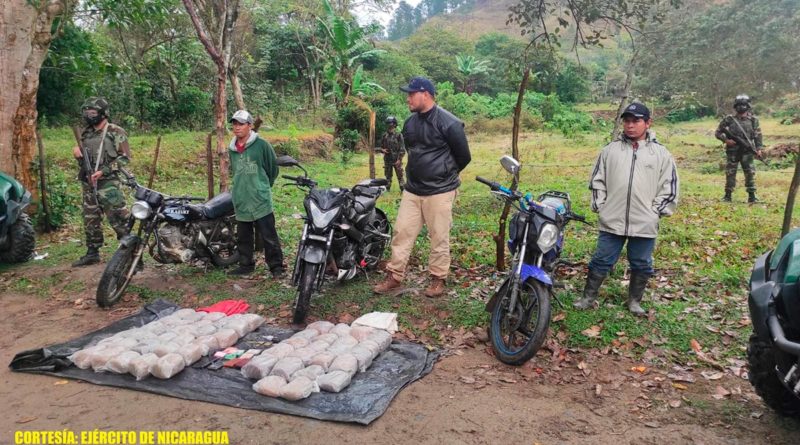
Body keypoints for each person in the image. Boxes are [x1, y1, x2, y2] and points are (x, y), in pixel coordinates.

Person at [573, 102, 679, 316]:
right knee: (601, 260)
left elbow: (669, 186)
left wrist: (654, 212)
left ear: (647, 123)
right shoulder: (610, 151)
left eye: (636, 121)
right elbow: (597, 181)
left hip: (644, 222)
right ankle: (588, 297)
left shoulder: (661, 154)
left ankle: (634, 301)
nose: (630, 126)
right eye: (627, 121)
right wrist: (601, 207)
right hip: (611, 219)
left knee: (641, 263)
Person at [373, 77, 471, 298]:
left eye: (411, 93)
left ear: (425, 94)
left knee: (439, 236)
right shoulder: (409, 123)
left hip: (440, 190)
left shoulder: (449, 123)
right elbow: (412, 151)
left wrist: (444, 174)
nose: (407, 98)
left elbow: (464, 156)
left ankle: (438, 278)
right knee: (401, 232)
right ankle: (394, 275)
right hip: (413, 189)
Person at [71, 97, 131, 267]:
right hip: (89, 182)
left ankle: (132, 254)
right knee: (90, 218)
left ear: (103, 113)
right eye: (86, 112)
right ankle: (92, 252)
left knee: (119, 218)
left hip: (109, 183)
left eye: (93, 113)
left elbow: (125, 158)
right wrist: (78, 155)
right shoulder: (86, 132)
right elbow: (86, 160)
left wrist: (103, 171)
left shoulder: (115, 131)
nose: (89, 116)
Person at [227, 110, 285, 278]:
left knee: (269, 234)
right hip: (241, 197)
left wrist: (263, 186)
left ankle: (276, 267)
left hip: (260, 197)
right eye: (234, 124)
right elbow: (235, 171)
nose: (237, 128)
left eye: (241, 124)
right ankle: (246, 264)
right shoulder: (232, 149)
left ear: (250, 126)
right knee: (243, 235)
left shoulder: (261, 145)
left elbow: (272, 168)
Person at [715, 94, 764, 203]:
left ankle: (752, 196)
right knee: (730, 172)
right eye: (739, 105)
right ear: (735, 106)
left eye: (743, 105)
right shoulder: (729, 119)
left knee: (750, 172)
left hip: (747, 151)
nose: (741, 107)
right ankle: (728, 196)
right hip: (732, 151)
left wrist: (759, 149)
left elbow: (758, 135)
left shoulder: (753, 120)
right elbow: (718, 132)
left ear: (748, 106)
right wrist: (726, 141)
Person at [380, 116, 405, 191]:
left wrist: (399, 160)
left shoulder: (398, 135)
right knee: (388, 177)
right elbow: (381, 147)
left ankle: (403, 190)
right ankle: (387, 189)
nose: (389, 126)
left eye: (391, 124)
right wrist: (383, 150)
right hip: (387, 160)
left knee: (400, 176)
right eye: (388, 124)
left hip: (397, 160)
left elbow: (402, 149)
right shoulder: (384, 136)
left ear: (394, 125)